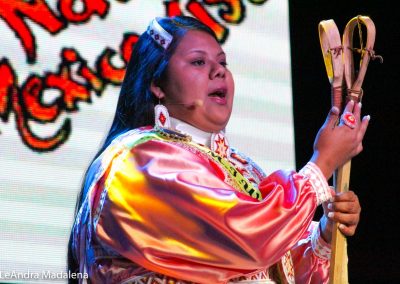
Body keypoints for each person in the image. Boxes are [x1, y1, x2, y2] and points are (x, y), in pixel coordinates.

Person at [68, 15, 368, 284]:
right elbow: (248, 239)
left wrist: (325, 235)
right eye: (199, 62)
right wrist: (321, 164)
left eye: (223, 62)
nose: (219, 72)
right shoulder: (137, 162)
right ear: (158, 84)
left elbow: (272, 268)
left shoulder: (242, 167)